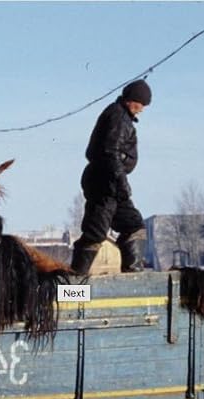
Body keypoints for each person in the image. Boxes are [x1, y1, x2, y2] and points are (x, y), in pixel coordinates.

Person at [71, 79, 152, 275]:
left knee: (133, 225)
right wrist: (121, 181)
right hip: (105, 183)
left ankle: (133, 277)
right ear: (130, 100)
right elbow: (111, 151)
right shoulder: (119, 117)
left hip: (110, 184)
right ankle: (73, 286)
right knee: (95, 233)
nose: (141, 109)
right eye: (140, 104)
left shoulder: (119, 115)